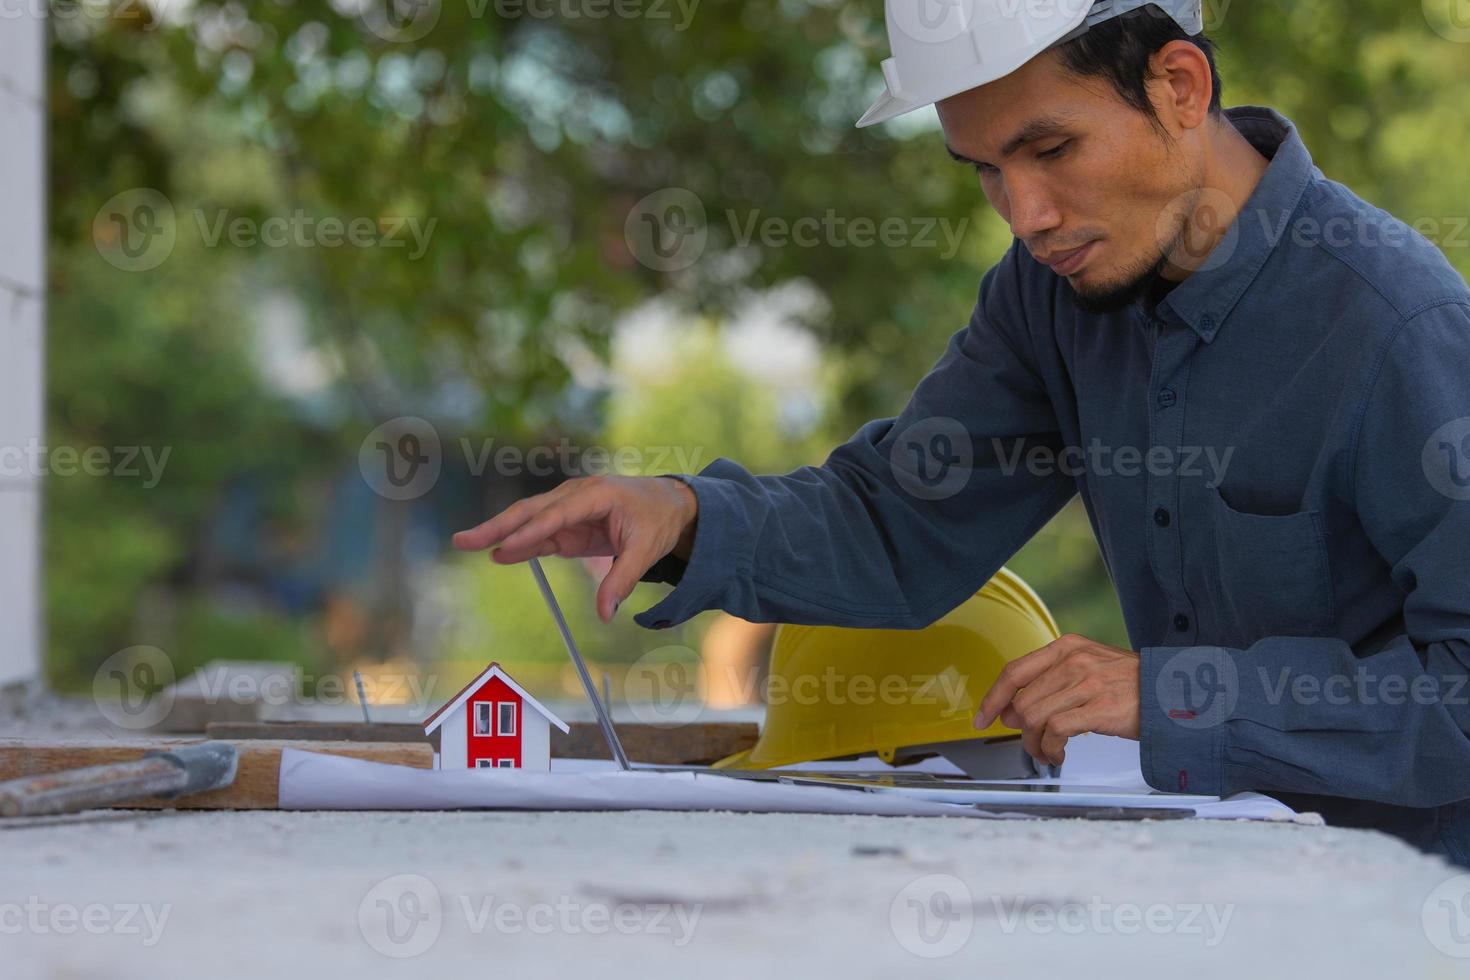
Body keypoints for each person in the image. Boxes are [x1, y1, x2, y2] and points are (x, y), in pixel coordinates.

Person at [454, 2, 1470, 865]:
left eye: (1051, 149)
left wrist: (1175, 694)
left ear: (1179, 87)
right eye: (984, 168)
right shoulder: (1051, 295)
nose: (1024, 214)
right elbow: (898, 517)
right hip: (1207, 893)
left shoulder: (1399, 326)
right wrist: (681, 516)